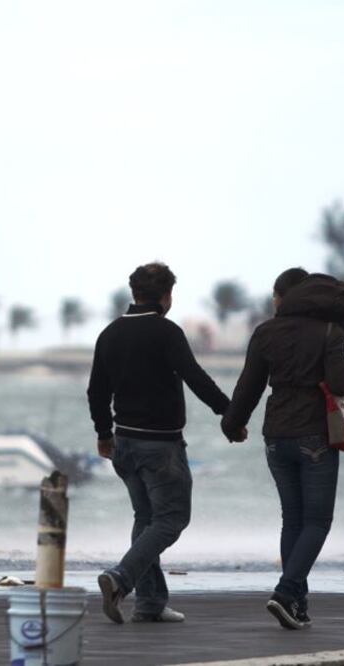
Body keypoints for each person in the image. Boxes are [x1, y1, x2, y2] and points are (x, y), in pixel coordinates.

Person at [87, 262, 239, 624]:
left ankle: (150, 603)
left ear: (134, 292)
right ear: (167, 296)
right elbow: (195, 377)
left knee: (147, 518)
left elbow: (96, 391)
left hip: (123, 442)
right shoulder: (166, 332)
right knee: (171, 519)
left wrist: (104, 434)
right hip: (161, 447)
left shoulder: (109, 334)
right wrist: (229, 413)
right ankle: (120, 578)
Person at [221, 268, 344, 630]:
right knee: (317, 521)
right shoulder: (328, 333)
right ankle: (285, 593)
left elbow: (248, 387)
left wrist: (232, 424)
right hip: (314, 435)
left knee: (294, 519)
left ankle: (297, 605)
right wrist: (335, 346)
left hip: (275, 436)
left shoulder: (266, 332)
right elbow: (343, 382)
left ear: (284, 296)